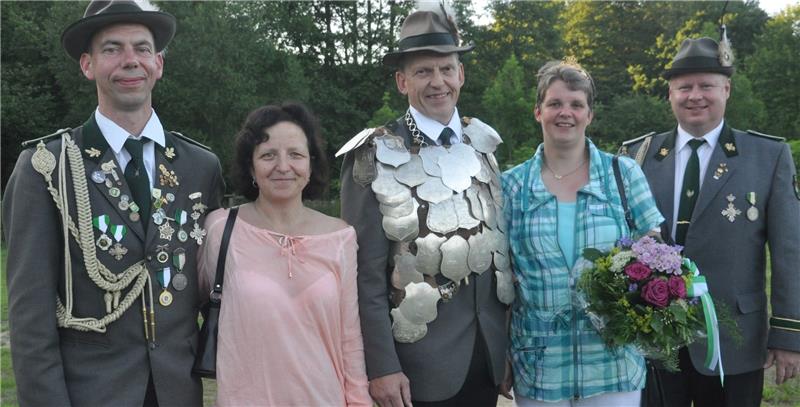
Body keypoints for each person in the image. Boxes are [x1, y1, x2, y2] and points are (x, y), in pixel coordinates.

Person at [1, 1, 225, 405]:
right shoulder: (46, 168)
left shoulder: (201, 166)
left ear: (158, 63)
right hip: (89, 394)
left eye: (141, 48)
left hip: (178, 393)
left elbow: (213, 285)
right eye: (112, 49)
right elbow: (30, 319)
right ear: (87, 65)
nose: (130, 61)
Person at [338, 7, 513, 407]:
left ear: (461, 75)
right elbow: (363, 275)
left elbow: (499, 256)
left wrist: (504, 346)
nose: (438, 82)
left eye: (446, 69)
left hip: (485, 358)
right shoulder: (374, 155)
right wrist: (381, 366)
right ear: (402, 81)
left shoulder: (483, 145)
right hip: (415, 370)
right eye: (423, 72)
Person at [620, 36, 800, 407]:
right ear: (670, 94)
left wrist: (788, 334)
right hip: (654, 340)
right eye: (684, 87)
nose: (695, 95)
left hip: (735, 342)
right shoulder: (637, 156)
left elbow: (789, 251)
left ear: (727, 89)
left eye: (706, 85)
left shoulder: (767, 156)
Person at [502, 61, 664, 406]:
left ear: (589, 114)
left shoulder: (623, 174)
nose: (566, 113)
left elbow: (655, 256)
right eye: (555, 104)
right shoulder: (511, 187)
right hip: (539, 367)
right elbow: (501, 278)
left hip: (613, 365)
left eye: (576, 104)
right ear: (538, 111)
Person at [197, 102, 371, 406]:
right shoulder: (221, 230)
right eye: (268, 155)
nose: (283, 166)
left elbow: (350, 339)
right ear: (250, 166)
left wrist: (359, 401)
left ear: (311, 164)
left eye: (295, 154)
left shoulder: (341, 237)